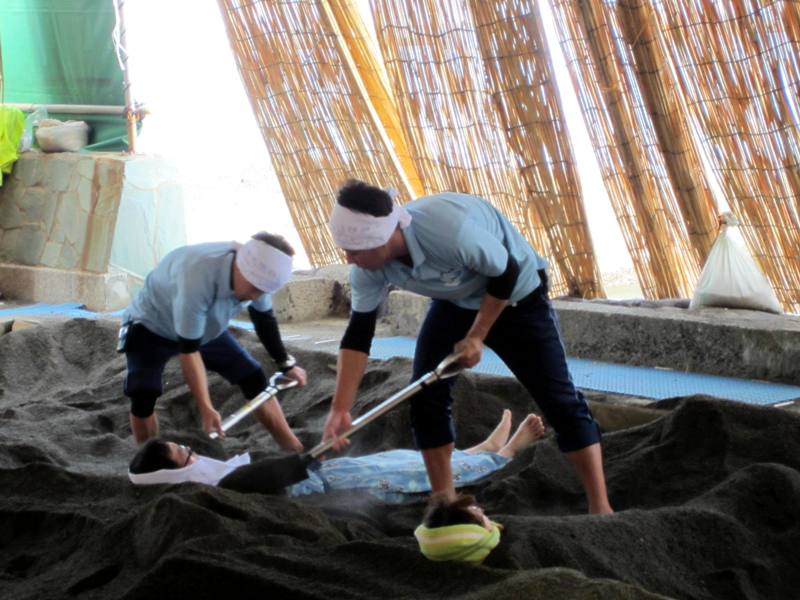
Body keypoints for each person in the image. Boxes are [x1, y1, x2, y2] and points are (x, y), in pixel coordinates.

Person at [323, 180, 613, 514]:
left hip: (518, 295)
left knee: (558, 399)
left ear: (383, 238)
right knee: (426, 394)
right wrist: (340, 408)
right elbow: (359, 334)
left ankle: (600, 505)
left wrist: (477, 335)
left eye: (355, 250)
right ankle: (445, 500)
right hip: (456, 301)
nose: (349, 258)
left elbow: (506, 272)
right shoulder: (368, 269)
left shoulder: (447, 230)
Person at [120, 231, 306, 451]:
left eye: (262, 292)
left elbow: (263, 318)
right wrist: (206, 407)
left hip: (206, 326)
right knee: (143, 392)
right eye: (254, 288)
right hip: (151, 324)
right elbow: (189, 352)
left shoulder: (261, 273)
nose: (256, 296)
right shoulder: (196, 276)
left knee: (254, 377)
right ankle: (149, 456)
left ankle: (295, 449)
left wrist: (285, 363)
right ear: (239, 267)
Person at [128, 410, 545, 503]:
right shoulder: (224, 486)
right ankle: (504, 454)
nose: (194, 452)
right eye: (185, 455)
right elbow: (280, 471)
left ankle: (479, 450)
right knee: (407, 472)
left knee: (404, 457)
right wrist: (314, 454)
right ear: (173, 475)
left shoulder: (219, 480)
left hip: (331, 473)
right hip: (336, 484)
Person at [414, 493, 502, 564]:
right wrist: (492, 529)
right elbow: (490, 534)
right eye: (480, 515)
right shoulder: (484, 543)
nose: (481, 510)